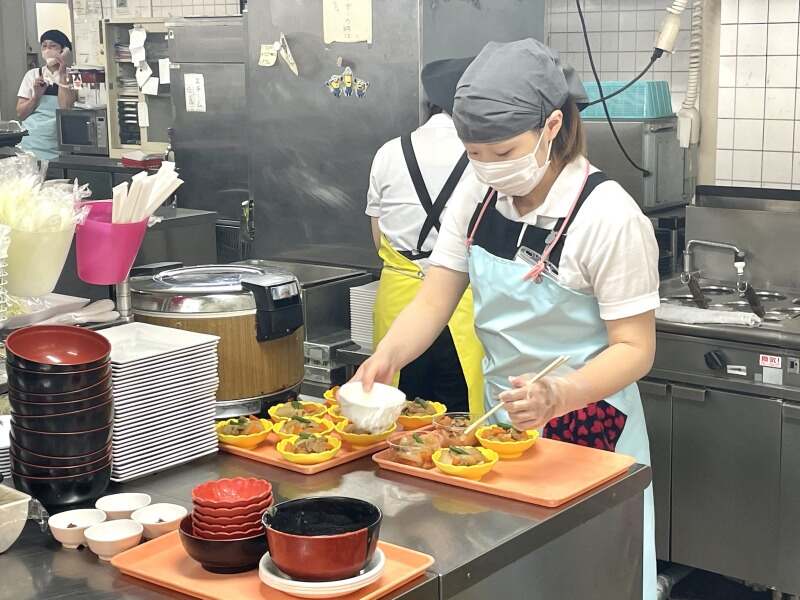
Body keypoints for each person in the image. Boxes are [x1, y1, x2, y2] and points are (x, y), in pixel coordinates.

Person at [356, 39, 659, 599]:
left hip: (587, 424)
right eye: (474, 152)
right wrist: (386, 358)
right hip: (498, 425)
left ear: (551, 126)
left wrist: (560, 393)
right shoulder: (478, 190)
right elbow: (435, 295)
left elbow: (636, 347)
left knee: (584, 577)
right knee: (509, 573)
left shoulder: (608, 216)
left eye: (502, 152)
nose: (487, 167)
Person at [366, 57, 484, 414]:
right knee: (461, 417)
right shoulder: (485, 155)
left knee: (397, 414)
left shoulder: (389, 152)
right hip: (463, 302)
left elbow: (378, 236)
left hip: (398, 301)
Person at [16, 30, 77, 160]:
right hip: (31, 142)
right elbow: (21, 114)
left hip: (58, 144)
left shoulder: (73, 76)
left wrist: (62, 74)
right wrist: (36, 96)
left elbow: (65, 107)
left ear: (64, 50)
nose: (48, 50)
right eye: (44, 46)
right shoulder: (32, 74)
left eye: (53, 46)